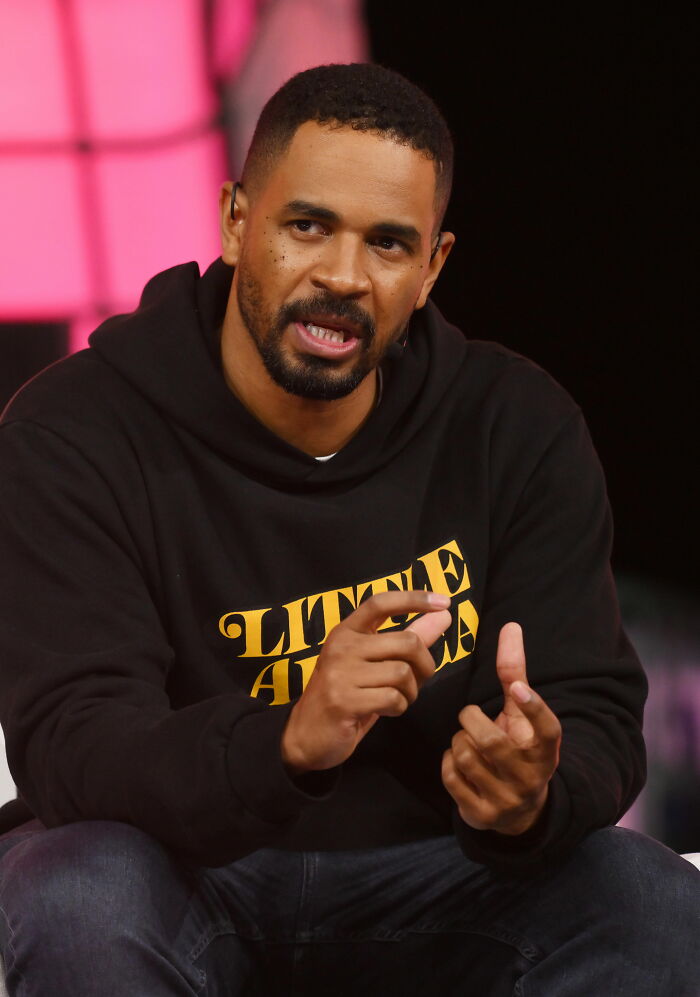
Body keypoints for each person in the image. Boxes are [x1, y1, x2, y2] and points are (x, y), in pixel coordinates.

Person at [0, 63, 697, 996]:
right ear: (236, 219)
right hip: (184, 874)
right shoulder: (75, 428)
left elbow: (598, 715)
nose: (342, 277)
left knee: (648, 897)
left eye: (389, 244)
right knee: (74, 888)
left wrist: (534, 789)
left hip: (440, 870)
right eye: (307, 226)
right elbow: (73, 746)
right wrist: (289, 737)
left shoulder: (513, 421)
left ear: (433, 266)